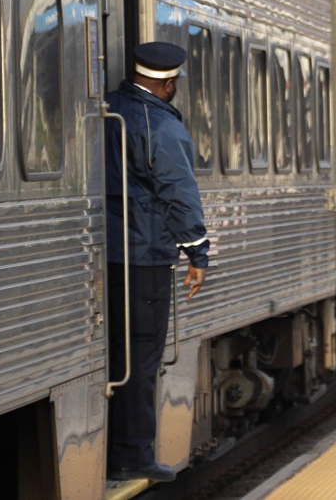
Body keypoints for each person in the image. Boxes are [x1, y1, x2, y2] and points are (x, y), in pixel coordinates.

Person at [104, 42, 210, 482]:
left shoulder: (108, 107)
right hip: (143, 256)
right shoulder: (160, 124)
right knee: (141, 359)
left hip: (104, 251)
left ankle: (115, 449)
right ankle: (132, 456)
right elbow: (178, 191)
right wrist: (197, 252)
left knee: (115, 355)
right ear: (168, 84)